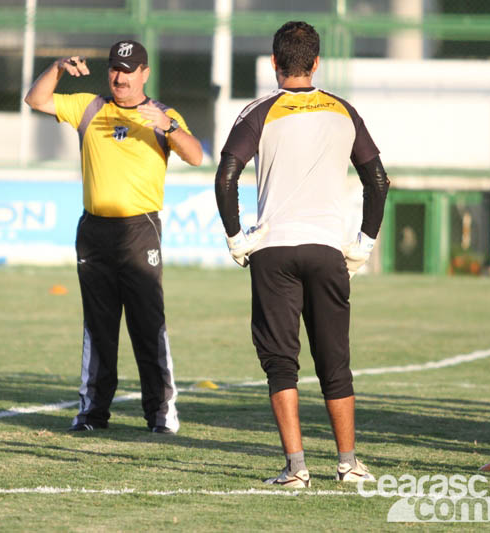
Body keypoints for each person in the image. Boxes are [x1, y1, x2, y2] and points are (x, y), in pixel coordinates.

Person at [214, 21, 389, 487]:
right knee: (334, 361)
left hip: (273, 249)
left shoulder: (259, 111)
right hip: (328, 248)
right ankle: (348, 463)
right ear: (316, 63)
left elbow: (226, 175)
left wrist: (235, 237)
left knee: (280, 362)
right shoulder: (342, 110)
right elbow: (378, 180)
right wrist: (365, 243)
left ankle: (296, 468)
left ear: (274, 63)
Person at [24, 40, 203, 433]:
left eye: (128, 69)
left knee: (147, 324)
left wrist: (168, 128)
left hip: (140, 231)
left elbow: (196, 156)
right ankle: (91, 413)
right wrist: (56, 67)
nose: (120, 76)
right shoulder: (89, 106)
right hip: (94, 232)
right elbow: (35, 100)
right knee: (99, 326)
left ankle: (160, 413)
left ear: (144, 73)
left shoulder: (163, 114)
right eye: (114, 68)